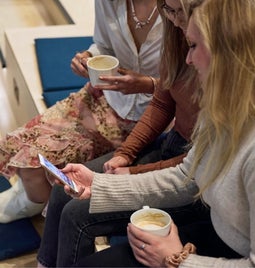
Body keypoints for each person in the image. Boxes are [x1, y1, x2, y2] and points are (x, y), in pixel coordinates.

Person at [38, 0, 255, 266]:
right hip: (213, 233)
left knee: (78, 219)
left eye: (195, 46)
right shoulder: (222, 108)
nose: (188, 58)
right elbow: (188, 177)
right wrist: (99, 183)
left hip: (220, 249)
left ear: (229, 51)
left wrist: (176, 261)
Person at [0, 0, 162, 223]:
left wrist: (149, 84)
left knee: (35, 167)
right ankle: (33, 200)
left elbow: (199, 80)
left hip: (155, 113)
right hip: (104, 96)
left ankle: (38, 207)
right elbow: (103, 45)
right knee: (21, 147)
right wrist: (88, 57)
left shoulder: (180, 7)